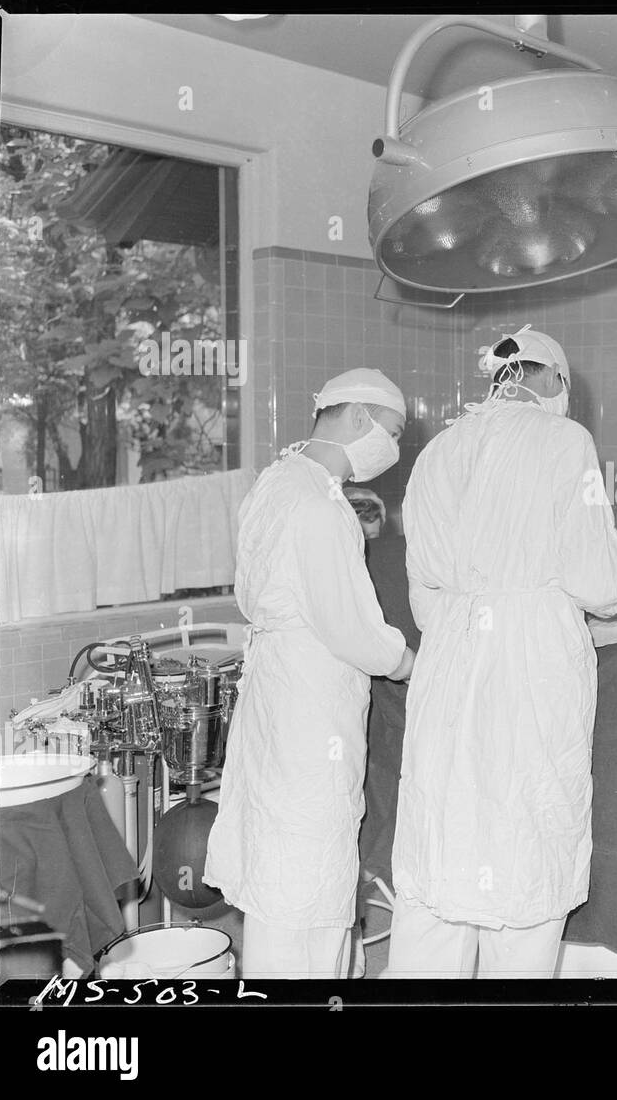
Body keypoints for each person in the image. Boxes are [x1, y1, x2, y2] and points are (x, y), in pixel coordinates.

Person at [385, 325, 617, 978]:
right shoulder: (565, 440)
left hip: (453, 654)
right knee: (525, 842)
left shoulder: (440, 449)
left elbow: (424, 589)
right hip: (531, 659)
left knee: (442, 848)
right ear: (550, 379)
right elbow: (598, 581)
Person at [204, 368, 417, 978]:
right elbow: (351, 628)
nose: (393, 448)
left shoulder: (277, 481)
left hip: (277, 692)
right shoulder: (320, 503)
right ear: (357, 419)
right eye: (393, 432)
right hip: (311, 701)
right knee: (312, 869)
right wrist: (411, 665)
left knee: (279, 865)